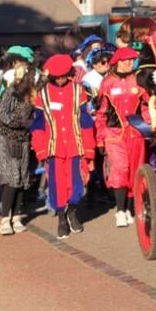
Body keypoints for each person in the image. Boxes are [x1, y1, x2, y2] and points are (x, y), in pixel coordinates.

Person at [31, 54, 97, 239]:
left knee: (77, 184)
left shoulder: (79, 91)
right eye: (56, 76)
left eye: (63, 75)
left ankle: (73, 211)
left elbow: (85, 122)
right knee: (58, 185)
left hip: (76, 145)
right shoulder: (42, 94)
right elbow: (37, 125)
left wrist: (89, 148)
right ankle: (61, 218)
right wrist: (40, 149)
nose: (60, 79)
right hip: (53, 147)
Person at [94, 47, 152, 227]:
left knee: (135, 171)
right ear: (117, 62)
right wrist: (100, 139)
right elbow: (101, 113)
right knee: (119, 169)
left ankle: (129, 209)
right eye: (126, 60)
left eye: (132, 60)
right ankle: (119, 211)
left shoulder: (138, 80)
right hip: (114, 134)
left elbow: (145, 107)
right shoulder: (107, 83)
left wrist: (150, 129)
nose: (130, 63)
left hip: (136, 133)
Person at [0, 56, 37, 235]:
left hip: (23, 138)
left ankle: (17, 215)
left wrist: (32, 125)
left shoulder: (34, 93)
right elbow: (3, 114)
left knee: (22, 177)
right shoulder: (12, 91)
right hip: (6, 137)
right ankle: (5, 218)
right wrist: (21, 122)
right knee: (11, 177)